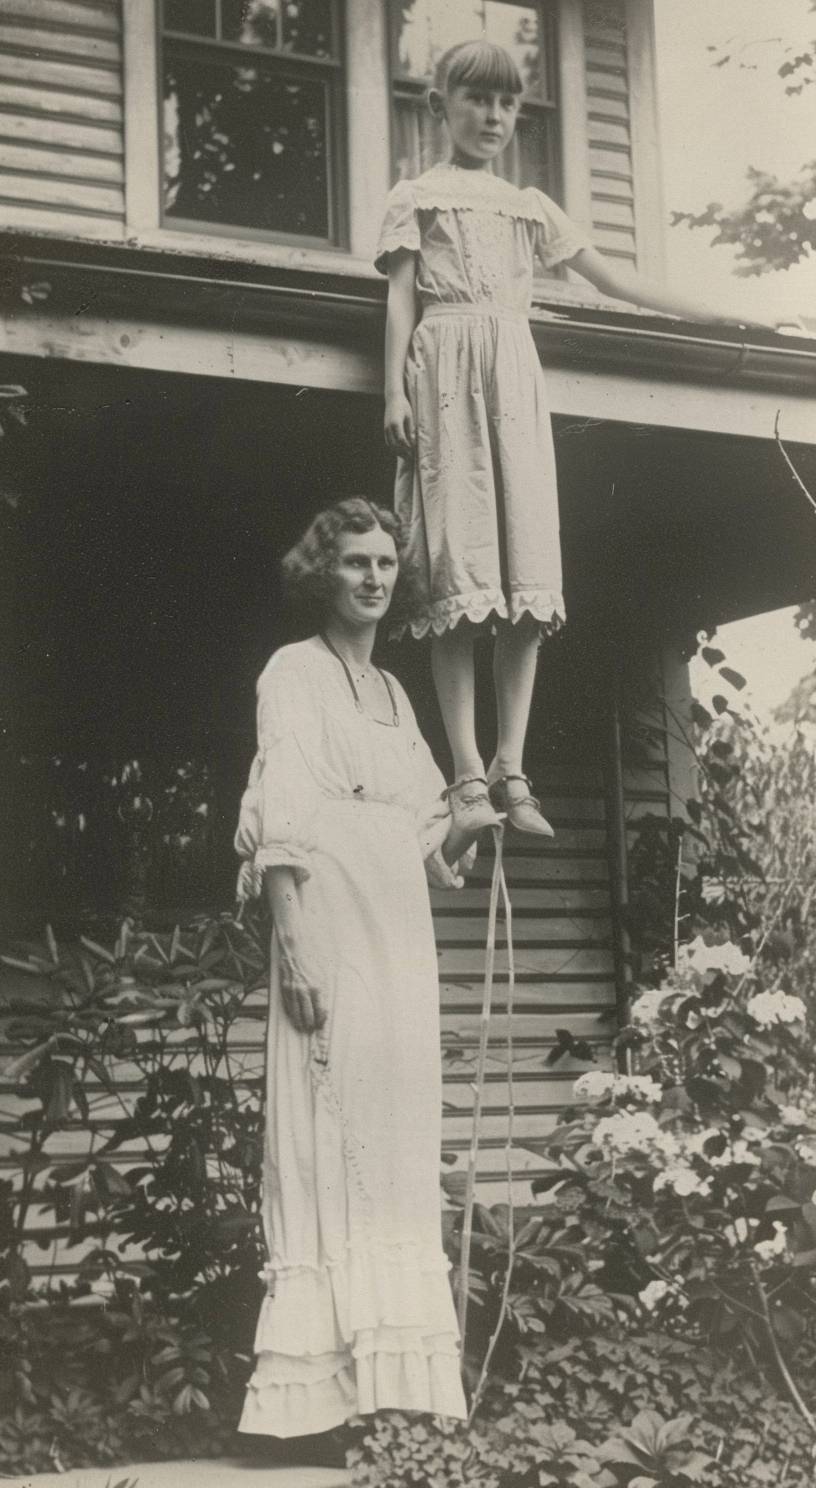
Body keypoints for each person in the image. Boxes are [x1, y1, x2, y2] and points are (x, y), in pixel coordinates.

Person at [376, 38, 772, 844]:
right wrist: (392, 391)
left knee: (526, 574)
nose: (492, 116)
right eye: (476, 99)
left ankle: (510, 767)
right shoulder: (416, 195)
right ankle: (463, 774)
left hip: (513, 384)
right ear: (440, 105)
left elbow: (616, 278)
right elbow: (398, 302)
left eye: (507, 103)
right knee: (453, 569)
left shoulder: (528, 206)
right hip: (444, 375)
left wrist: (715, 314)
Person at [235, 498, 470, 1439]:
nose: (372, 578)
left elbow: (423, 824)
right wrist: (292, 939)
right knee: (328, 1131)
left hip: (397, 926)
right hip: (327, 913)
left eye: (384, 564)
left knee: (392, 1125)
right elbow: (282, 807)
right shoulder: (293, 674)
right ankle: (309, 1397)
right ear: (321, 573)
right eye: (354, 563)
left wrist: (479, 802)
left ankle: (390, 1382)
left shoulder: (395, 695)